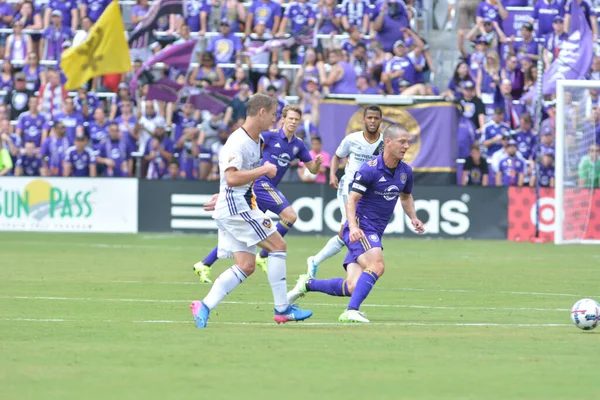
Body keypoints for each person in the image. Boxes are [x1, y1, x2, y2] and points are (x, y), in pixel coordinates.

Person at [189, 94, 313, 328]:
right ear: (262, 112)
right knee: (279, 246)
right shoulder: (238, 142)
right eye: (274, 114)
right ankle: (282, 309)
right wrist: (264, 170)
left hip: (236, 203)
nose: (275, 120)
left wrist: (222, 192)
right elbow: (232, 177)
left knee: (246, 265)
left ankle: (203, 305)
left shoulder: (256, 140)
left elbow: (232, 179)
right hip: (239, 206)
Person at [287, 124, 425, 323]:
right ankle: (351, 310)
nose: (406, 146)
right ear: (388, 142)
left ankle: (306, 285)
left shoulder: (405, 172)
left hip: (372, 230)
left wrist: (413, 217)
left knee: (352, 286)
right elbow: (351, 200)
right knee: (377, 265)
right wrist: (353, 227)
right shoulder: (369, 170)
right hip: (361, 227)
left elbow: (405, 197)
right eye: (402, 142)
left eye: (408, 142)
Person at [193, 105, 323, 283]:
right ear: (282, 119)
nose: (293, 122)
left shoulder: (298, 145)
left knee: (244, 234)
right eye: (290, 118)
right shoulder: (269, 136)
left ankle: (204, 263)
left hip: (259, 191)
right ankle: (263, 255)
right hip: (261, 183)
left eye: (296, 119)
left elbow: (313, 170)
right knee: (290, 216)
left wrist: (316, 163)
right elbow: (248, 153)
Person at [306, 105, 384, 278]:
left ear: (380, 121)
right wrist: (332, 174)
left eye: (375, 118)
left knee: (345, 233)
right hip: (348, 187)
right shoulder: (352, 139)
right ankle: (360, 264)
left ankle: (315, 260)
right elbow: (337, 156)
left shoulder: (384, 143)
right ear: (363, 120)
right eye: (369, 118)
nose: (372, 121)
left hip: (367, 193)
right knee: (348, 227)